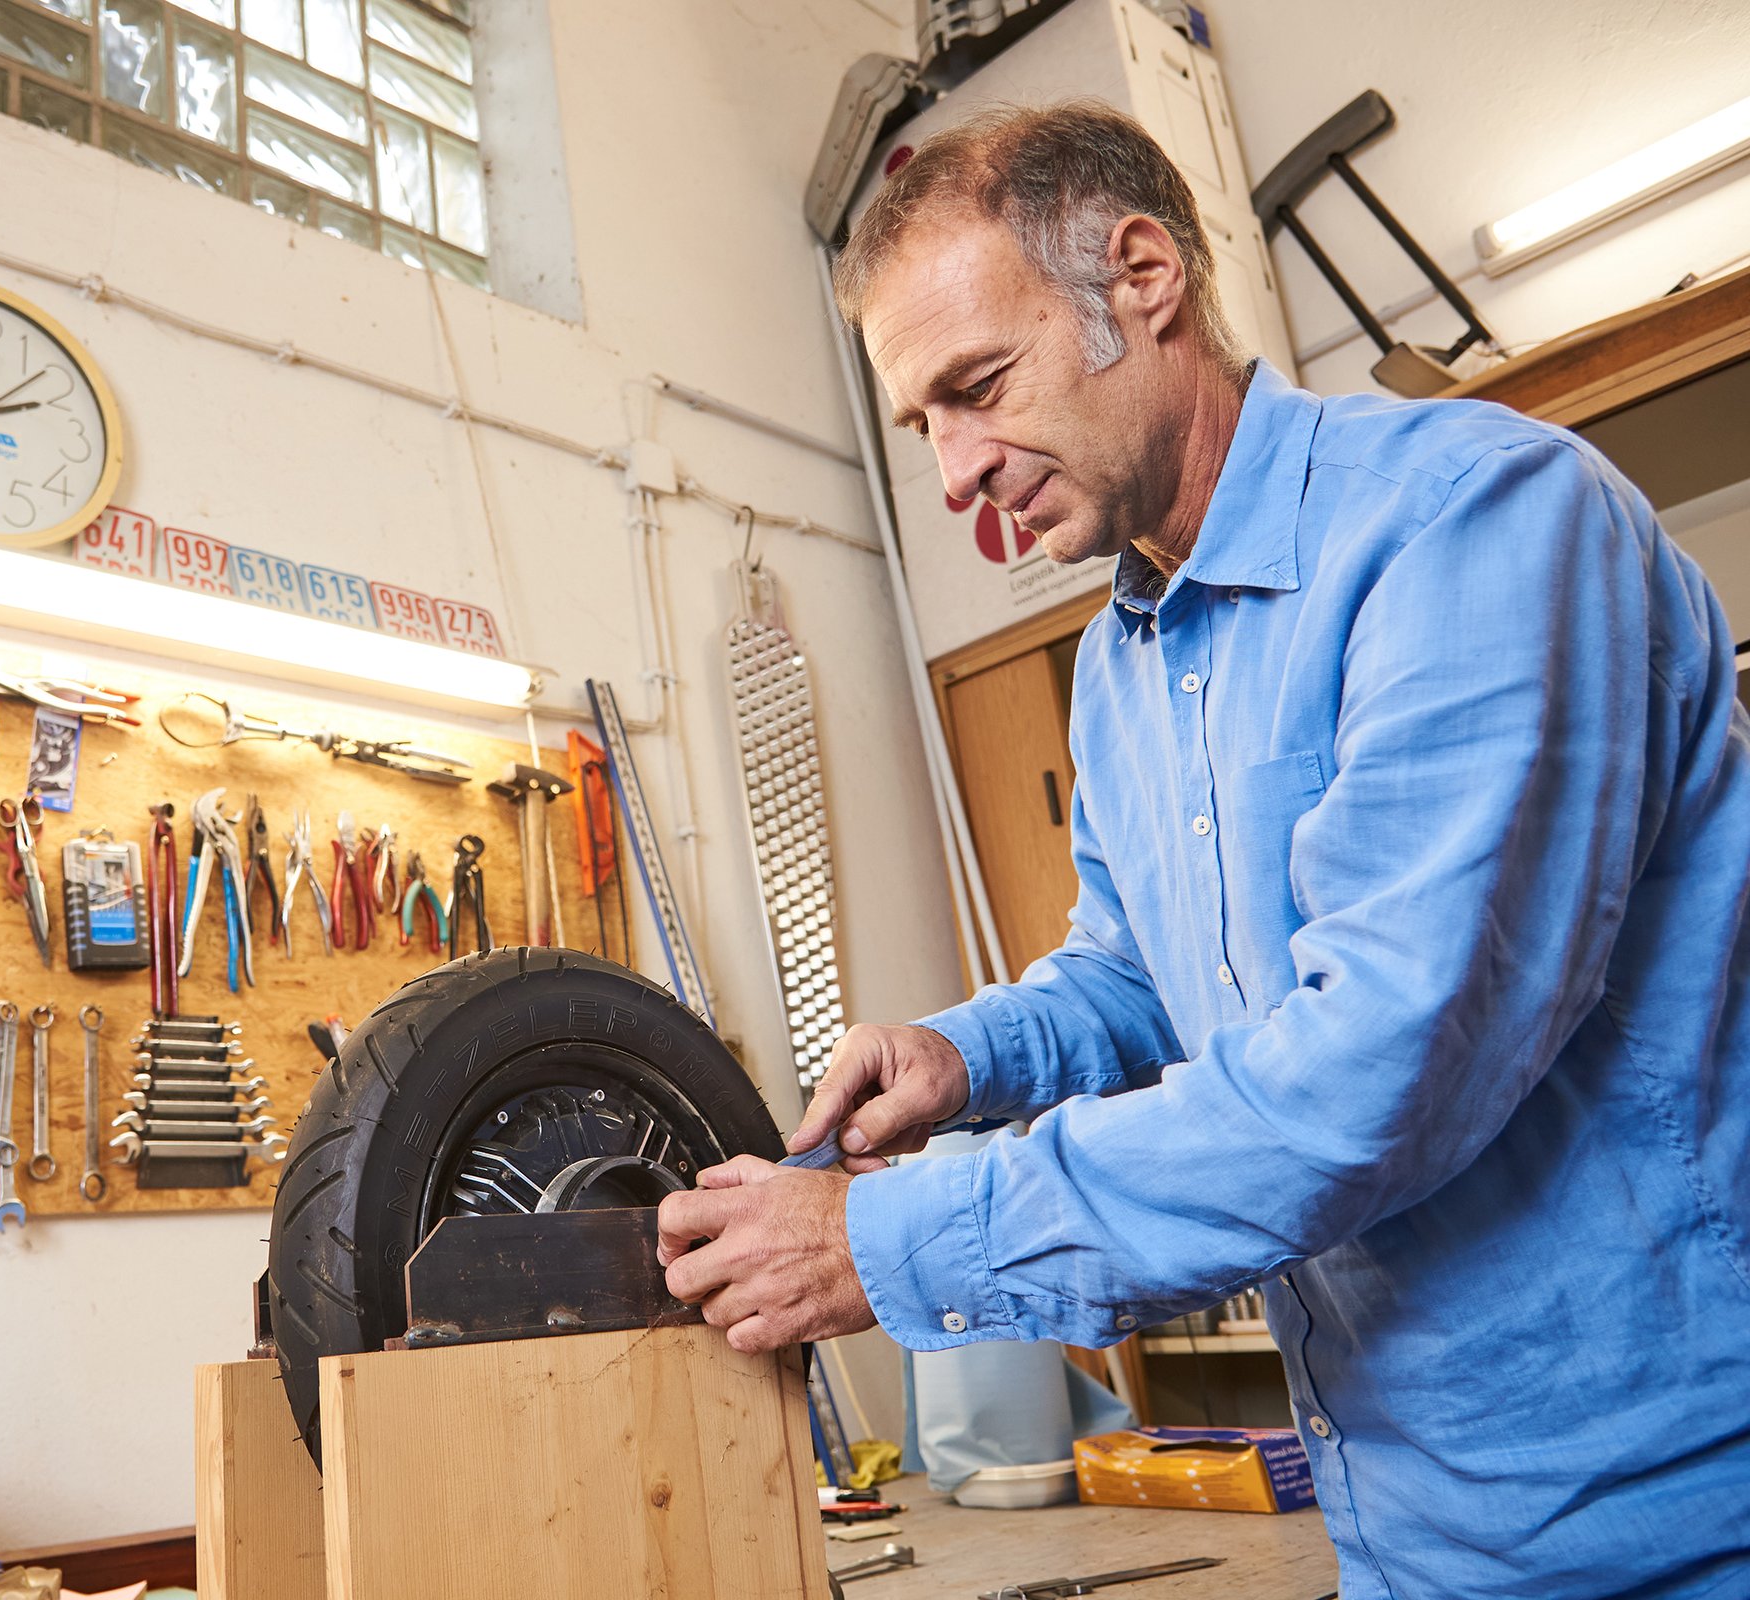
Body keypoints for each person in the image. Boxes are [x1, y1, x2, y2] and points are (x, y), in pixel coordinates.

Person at [656, 101, 1750, 1598]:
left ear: (1145, 278)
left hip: (1678, 1505)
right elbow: (1149, 973)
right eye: (925, 425)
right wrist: (965, 1058)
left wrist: (888, 1240)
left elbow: (1379, 1065)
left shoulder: (1476, 527)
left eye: (980, 387)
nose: (959, 469)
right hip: (1405, 1519)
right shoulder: (1125, 661)